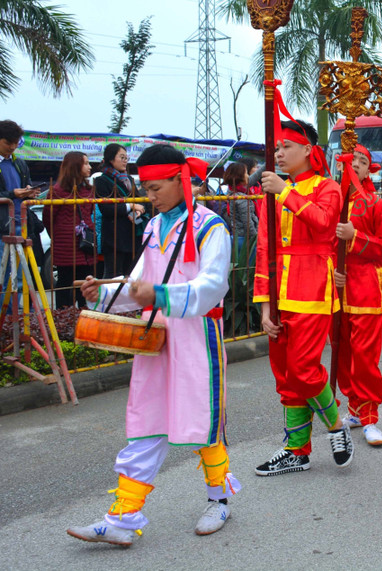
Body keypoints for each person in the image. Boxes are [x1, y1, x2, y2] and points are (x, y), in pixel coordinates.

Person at [67, 144, 239, 546]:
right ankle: (123, 518)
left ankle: (219, 499)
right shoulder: (153, 226)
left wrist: (157, 295)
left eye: (156, 187)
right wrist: (102, 294)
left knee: (200, 420)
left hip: (197, 336)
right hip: (157, 335)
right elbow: (140, 282)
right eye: (145, 188)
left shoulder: (211, 227)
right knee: (146, 420)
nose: (150, 195)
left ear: (181, 180)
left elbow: (212, 287)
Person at [253, 119, 354, 477]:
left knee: (304, 369)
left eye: (286, 147)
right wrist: (264, 305)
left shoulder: (328, 187)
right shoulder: (270, 194)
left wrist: (284, 191)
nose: (278, 154)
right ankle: (297, 449)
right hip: (279, 289)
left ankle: (335, 426)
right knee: (285, 375)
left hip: (312, 287)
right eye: (276, 148)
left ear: (308, 151)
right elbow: (264, 249)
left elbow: (324, 223)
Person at [332, 144, 382, 446]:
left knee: (364, 356)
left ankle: (370, 416)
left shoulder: (373, 204)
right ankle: (354, 408)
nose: (355, 164)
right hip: (335, 286)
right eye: (350, 160)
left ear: (370, 169)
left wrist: (354, 237)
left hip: (366, 284)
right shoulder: (330, 201)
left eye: (362, 161)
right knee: (341, 351)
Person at [42, 151, 95, 308]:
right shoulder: (58, 191)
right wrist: (60, 236)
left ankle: (85, 318)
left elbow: (89, 213)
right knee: (65, 285)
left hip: (86, 245)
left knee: (86, 286)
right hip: (66, 247)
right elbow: (48, 219)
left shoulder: (88, 189)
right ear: (75, 166)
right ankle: (63, 322)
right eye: (85, 163)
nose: (89, 167)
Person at [95, 143, 145, 278]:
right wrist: (130, 206)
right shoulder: (101, 181)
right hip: (114, 236)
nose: (125, 161)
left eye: (126, 158)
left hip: (132, 233)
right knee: (114, 277)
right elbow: (106, 208)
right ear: (111, 159)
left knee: (131, 276)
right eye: (121, 157)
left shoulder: (128, 179)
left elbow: (140, 201)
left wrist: (138, 211)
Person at [0, 120, 44, 272]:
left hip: (21, 224)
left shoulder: (20, 163)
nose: (12, 147)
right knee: (3, 275)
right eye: (8, 143)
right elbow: (11, 194)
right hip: (2, 228)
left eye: (15, 143)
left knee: (20, 277)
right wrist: (13, 194)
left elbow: (27, 187)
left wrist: (30, 192)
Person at [222, 161, 258, 264]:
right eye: (246, 173)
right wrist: (256, 239)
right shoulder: (240, 197)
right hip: (245, 240)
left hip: (238, 237)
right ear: (240, 176)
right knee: (247, 271)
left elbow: (255, 176)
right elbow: (248, 223)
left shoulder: (233, 191)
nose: (248, 176)